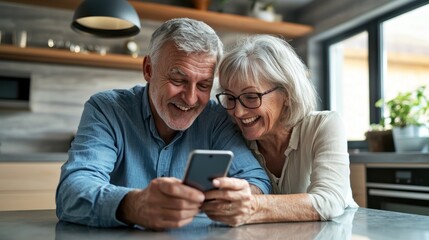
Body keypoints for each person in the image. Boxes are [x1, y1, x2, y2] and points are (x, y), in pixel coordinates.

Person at [55, 18, 271, 230]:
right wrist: (134, 205)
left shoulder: (215, 118)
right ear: (148, 69)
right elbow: (71, 192)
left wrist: (241, 197)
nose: (190, 98)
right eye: (178, 80)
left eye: (204, 85)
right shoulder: (107, 109)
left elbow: (257, 181)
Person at [202, 35, 358, 226]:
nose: (238, 112)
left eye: (251, 97)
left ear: (286, 93)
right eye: (231, 98)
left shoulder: (324, 125)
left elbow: (329, 200)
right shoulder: (233, 136)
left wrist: (253, 206)